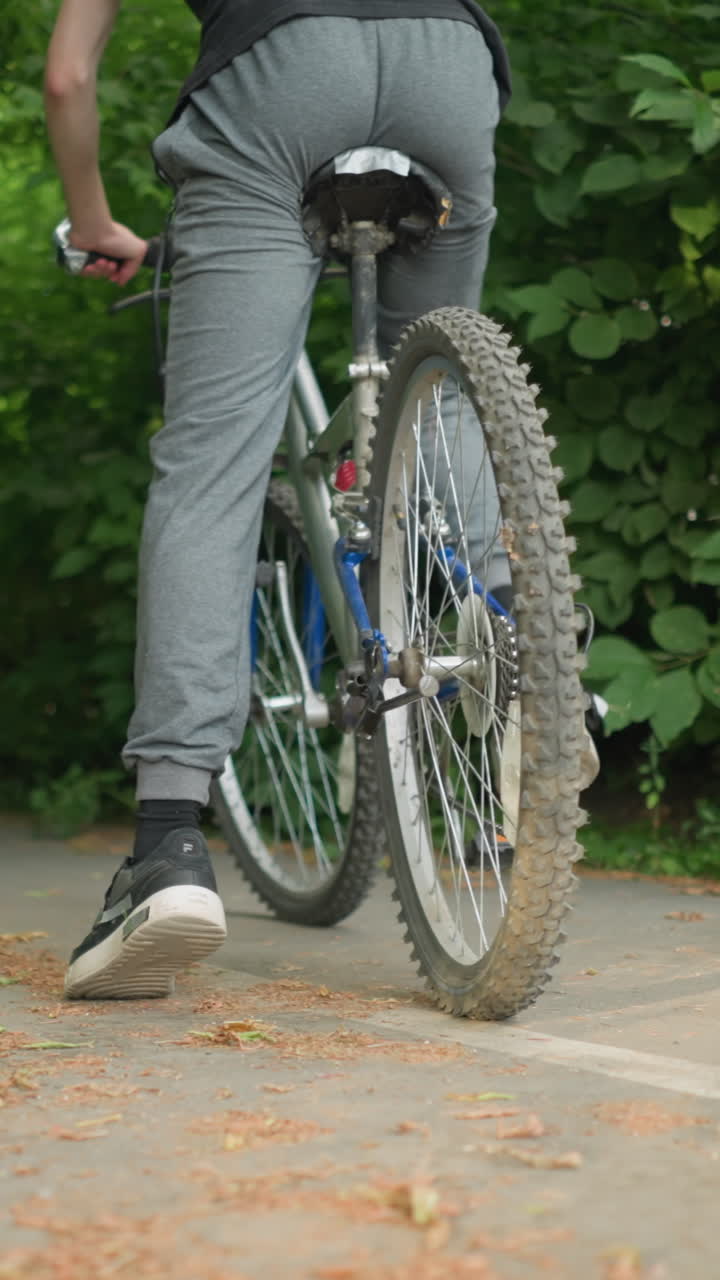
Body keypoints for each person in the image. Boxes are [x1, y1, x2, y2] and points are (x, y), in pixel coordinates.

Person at [44, 0, 511, 1000]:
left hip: (279, 78)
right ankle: (528, 653)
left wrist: (90, 218)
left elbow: (67, 79)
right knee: (444, 391)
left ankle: (167, 846)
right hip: (448, 61)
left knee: (214, 461)